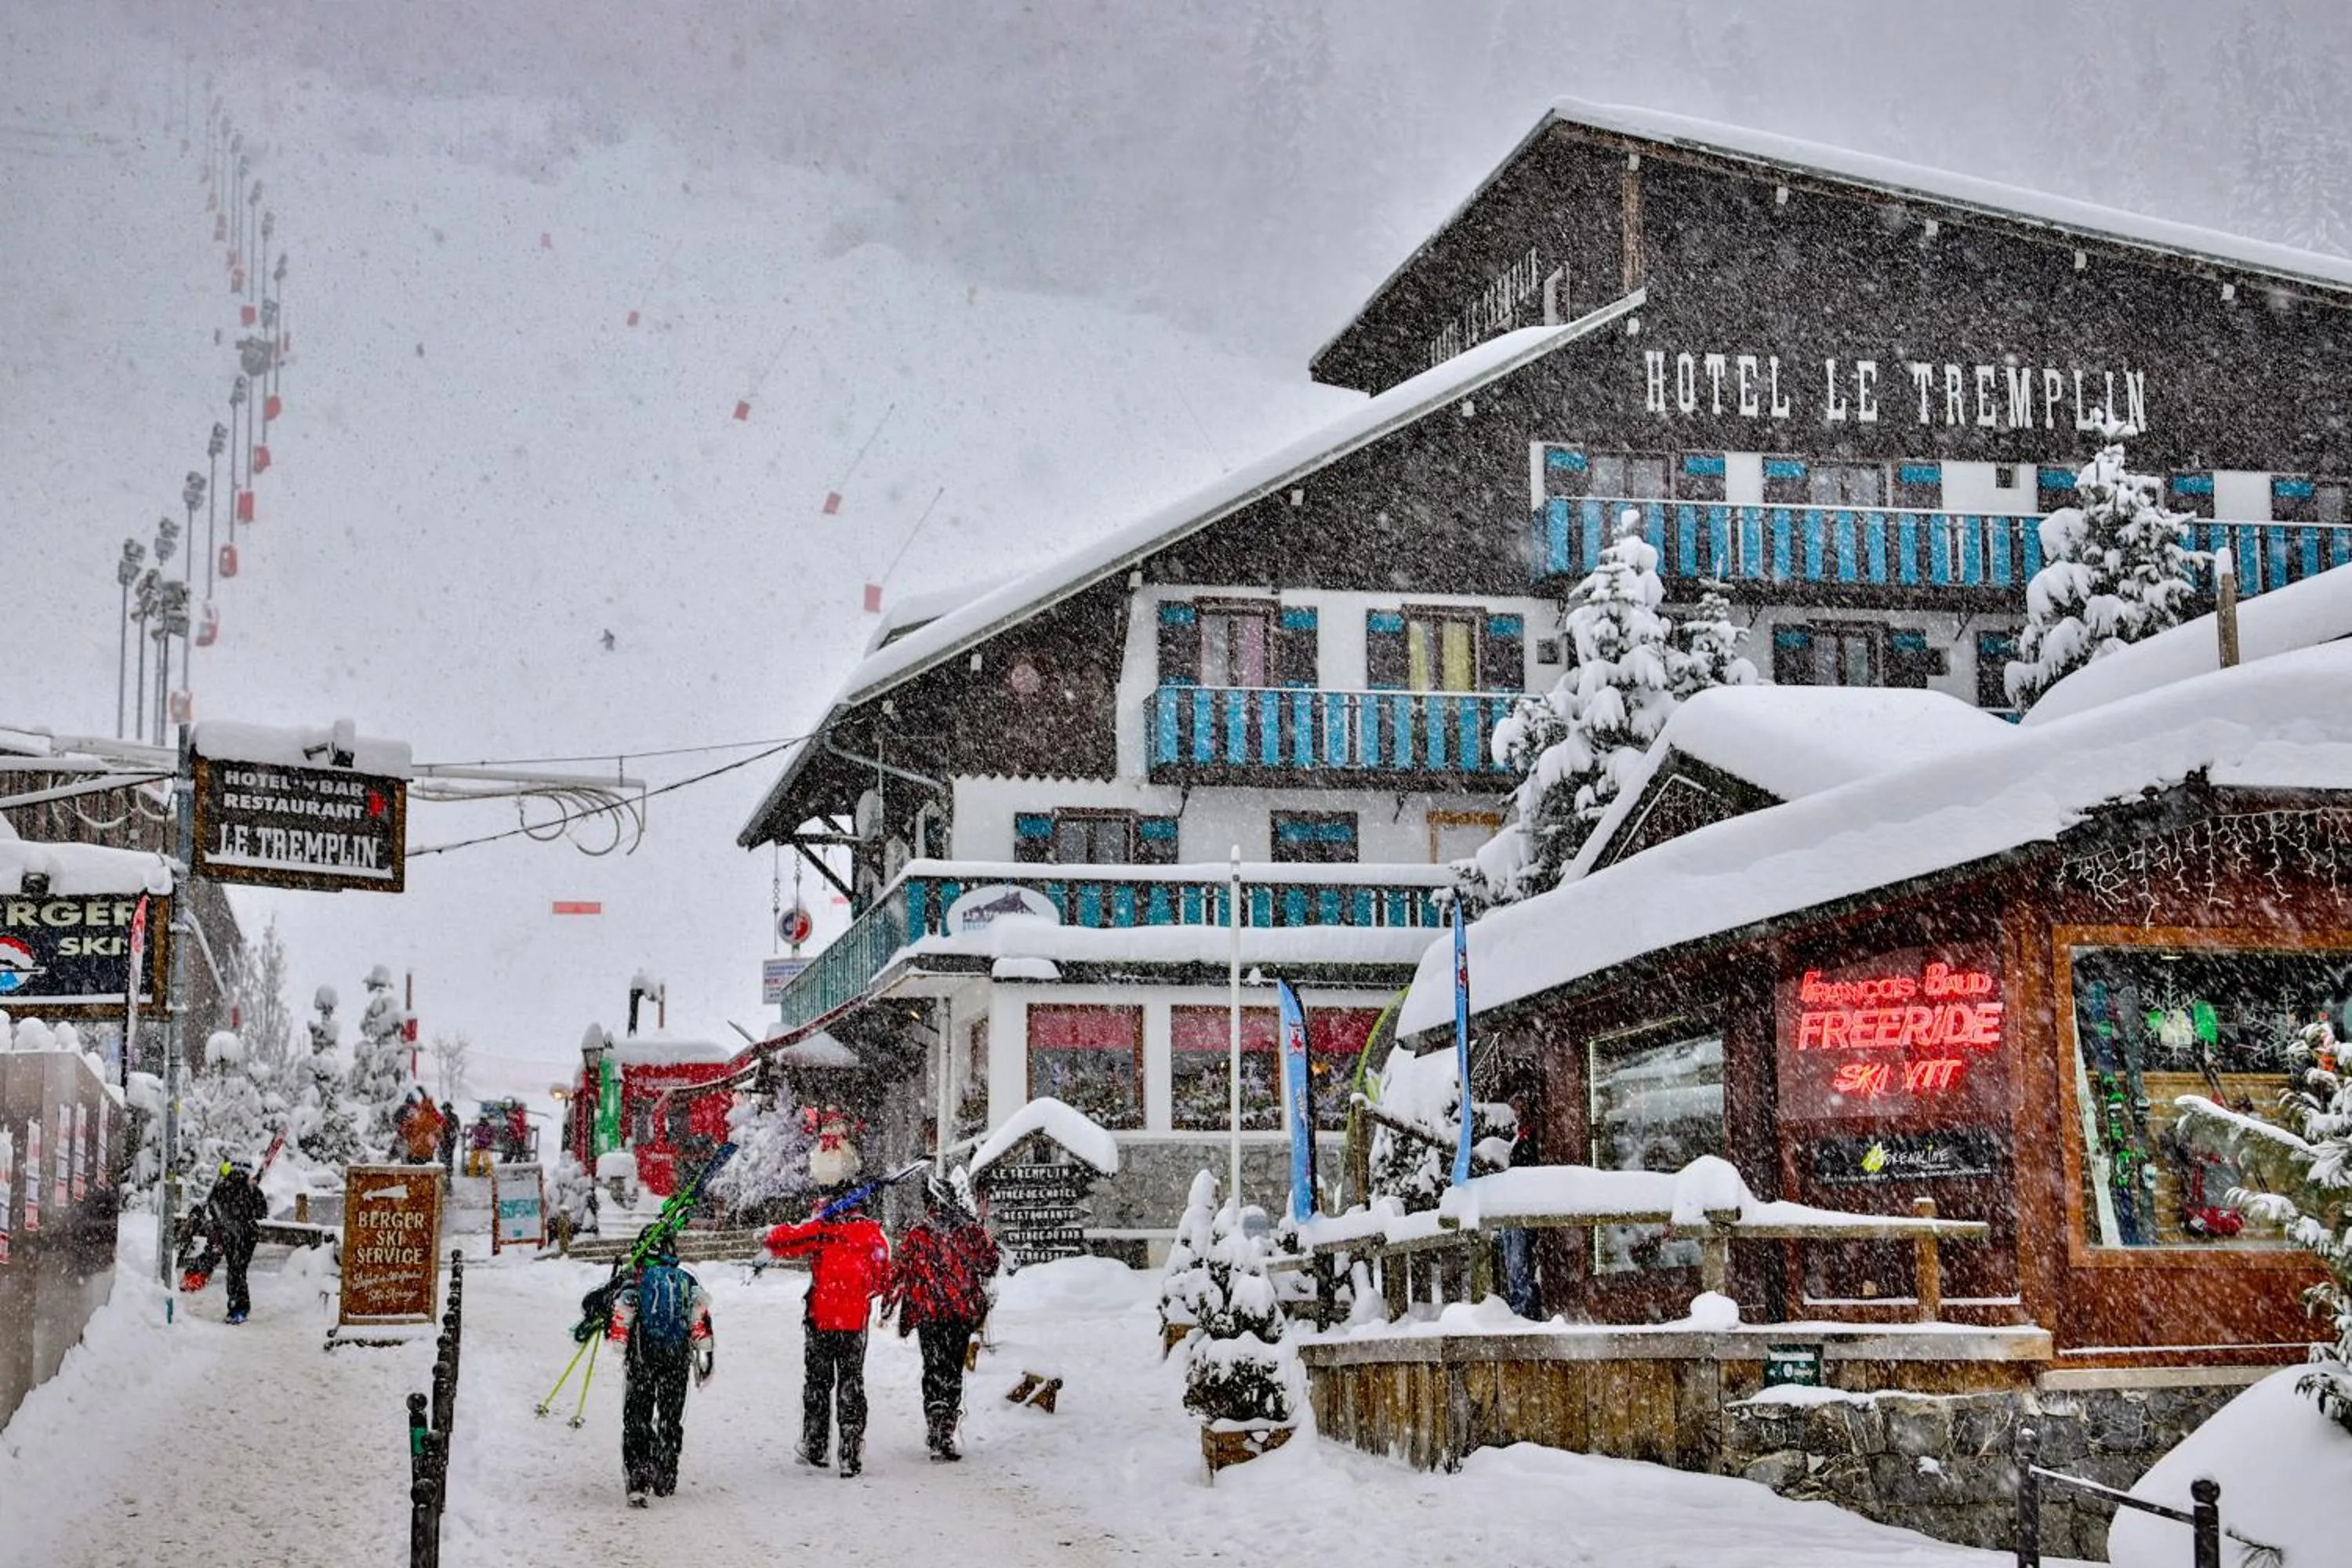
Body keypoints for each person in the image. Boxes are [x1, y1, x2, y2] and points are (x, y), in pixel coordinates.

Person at [763, 1193, 891, 1477]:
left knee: (818, 1385)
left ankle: (815, 1445)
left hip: (820, 1320)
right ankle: (850, 1453)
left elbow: (780, 1242)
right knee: (852, 1385)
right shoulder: (872, 1234)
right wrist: (861, 1294)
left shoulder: (822, 1231)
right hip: (854, 1324)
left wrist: (807, 1225)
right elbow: (883, 1278)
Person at [884, 1177, 1000, 1460]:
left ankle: (935, 1421)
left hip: (929, 1313)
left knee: (933, 1369)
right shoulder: (968, 1232)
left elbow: (899, 1270)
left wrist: (888, 1297)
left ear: (929, 1204)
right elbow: (990, 1264)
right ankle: (946, 1428)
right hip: (959, 1313)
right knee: (952, 1371)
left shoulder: (919, 1235)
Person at [605, 1234, 714, 1507]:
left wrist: (620, 1341)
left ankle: (638, 1477)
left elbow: (620, 1325)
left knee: (637, 1417)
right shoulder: (684, 1281)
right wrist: (705, 1352)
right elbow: (698, 1321)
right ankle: (665, 1473)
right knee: (670, 1416)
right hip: (676, 1359)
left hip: (643, 1360)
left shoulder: (636, 1282)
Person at [202, 1159, 269, 1324]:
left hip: (229, 1233)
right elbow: (262, 1212)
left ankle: (236, 1306)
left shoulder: (222, 1188)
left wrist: (223, 1222)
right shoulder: (252, 1189)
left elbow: (212, 1207)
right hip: (246, 1235)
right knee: (238, 1270)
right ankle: (240, 1307)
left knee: (234, 1270)